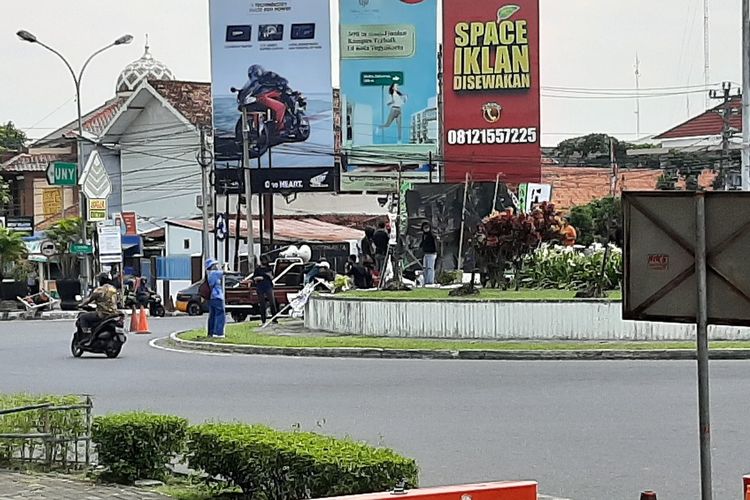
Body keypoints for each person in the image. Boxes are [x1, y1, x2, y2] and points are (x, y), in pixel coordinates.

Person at [244, 64, 290, 131]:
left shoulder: (270, 75)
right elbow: (250, 88)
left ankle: (280, 127)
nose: (255, 75)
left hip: (278, 93)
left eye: (256, 73)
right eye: (253, 74)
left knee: (281, 107)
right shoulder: (254, 82)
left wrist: (277, 82)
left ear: (260, 71)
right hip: (264, 96)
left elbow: (284, 80)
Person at [77, 274, 119, 344]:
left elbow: (89, 299)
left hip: (103, 314)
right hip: (113, 314)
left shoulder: (100, 290)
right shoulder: (113, 289)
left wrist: (81, 304)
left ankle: (86, 336)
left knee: (83, 317)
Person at [252, 256, 278, 324]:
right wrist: (259, 278)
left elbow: (272, 277)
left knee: (272, 303)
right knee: (262, 304)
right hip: (260, 287)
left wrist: (269, 276)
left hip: (268, 286)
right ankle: (263, 320)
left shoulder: (269, 268)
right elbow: (254, 278)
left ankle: (274, 319)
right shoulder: (257, 269)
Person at [205, 259, 226, 338]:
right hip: (217, 296)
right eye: (215, 265)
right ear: (212, 266)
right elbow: (225, 273)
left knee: (212, 315)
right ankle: (218, 333)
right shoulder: (215, 273)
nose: (216, 266)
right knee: (220, 315)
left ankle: (211, 332)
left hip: (211, 297)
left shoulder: (208, 274)